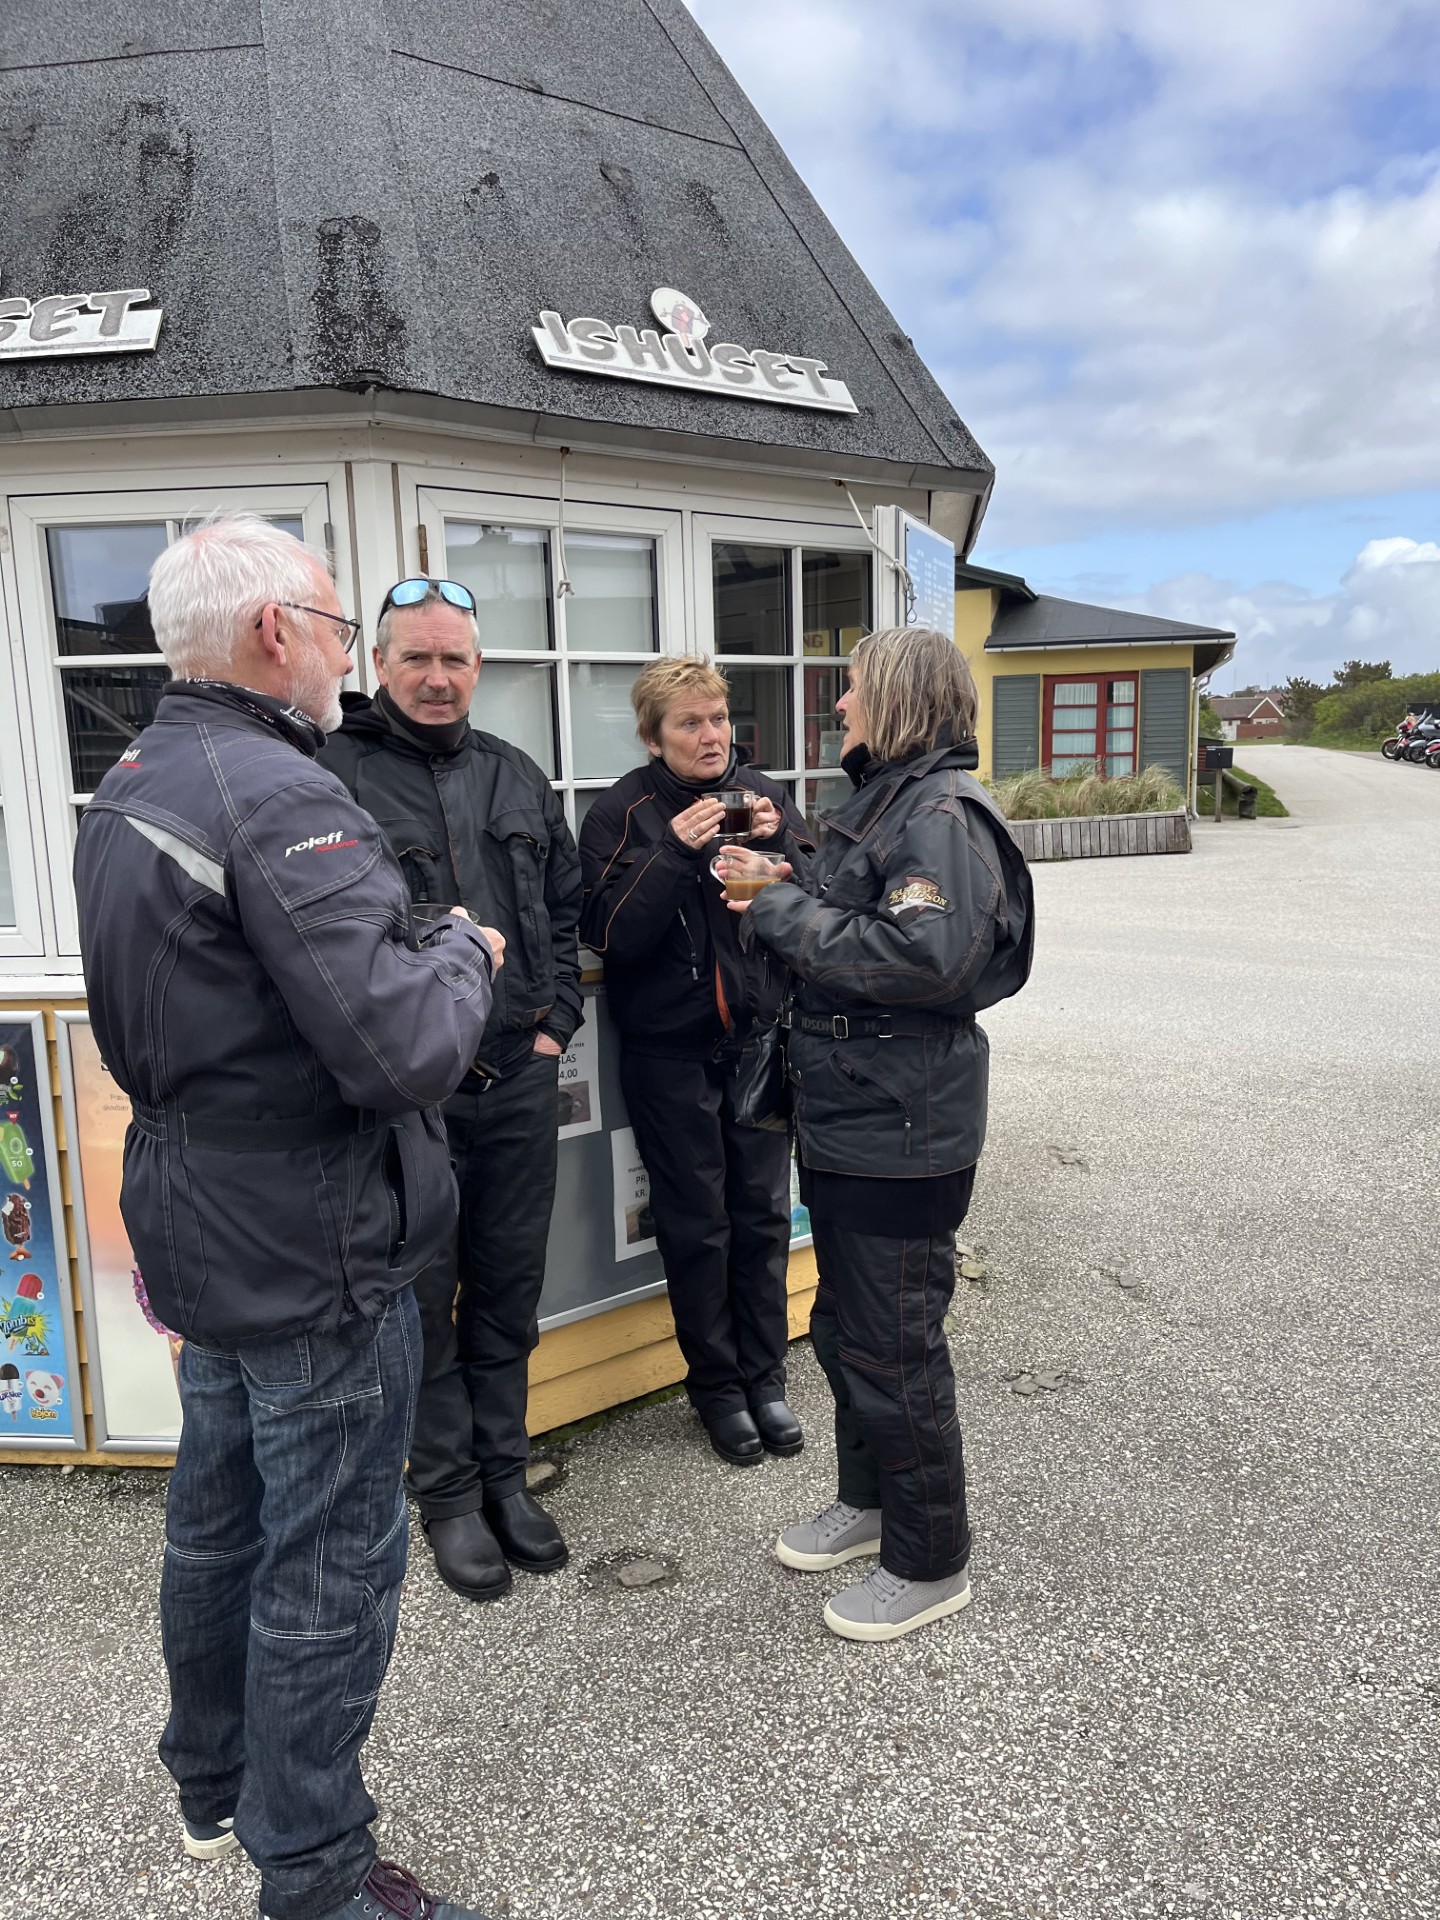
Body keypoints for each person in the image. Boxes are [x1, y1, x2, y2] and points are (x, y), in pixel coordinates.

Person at [74, 514, 505, 1920]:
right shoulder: (275, 792)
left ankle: (215, 1779)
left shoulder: (137, 771)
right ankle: (315, 1869)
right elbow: (402, 1050)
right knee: (331, 1558)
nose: (346, 658)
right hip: (311, 1236)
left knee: (219, 1513)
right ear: (274, 632)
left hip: (200, 1212)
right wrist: (462, 949)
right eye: (334, 628)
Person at [727, 627, 1034, 1643]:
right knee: (847, 1331)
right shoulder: (893, 800)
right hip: (855, 1112)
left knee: (895, 1348)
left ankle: (930, 1559)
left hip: (902, 1125)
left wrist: (776, 906)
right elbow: (860, 911)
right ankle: (870, 1504)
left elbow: (924, 962)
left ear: (897, 697)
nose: (839, 703)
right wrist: (782, 872)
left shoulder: (941, 814)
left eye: (853, 686)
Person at [320, 576, 583, 1603]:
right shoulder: (331, 775)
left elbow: (563, 908)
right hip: (408, 1098)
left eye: (455, 659)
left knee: (510, 1287)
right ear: (379, 664)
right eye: (417, 658)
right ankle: (448, 1496)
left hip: (517, 1074)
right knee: (424, 1301)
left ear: (479, 668)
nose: (438, 678)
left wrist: (558, 1024)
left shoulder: (516, 773)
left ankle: (505, 1476)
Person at [579, 657, 815, 1465]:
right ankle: (717, 1390)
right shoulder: (621, 811)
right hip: (668, 1055)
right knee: (698, 1227)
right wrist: (674, 853)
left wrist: (777, 853)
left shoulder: (764, 796)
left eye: (717, 718)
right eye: (689, 723)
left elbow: (819, 898)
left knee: (762, 1216)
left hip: (758, 1043)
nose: (711, 736)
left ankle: (766, 1378)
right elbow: (609, 935)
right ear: (654, 738)